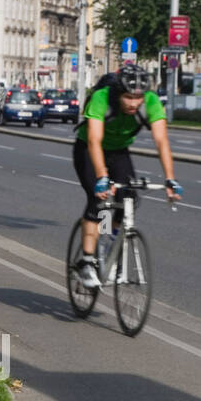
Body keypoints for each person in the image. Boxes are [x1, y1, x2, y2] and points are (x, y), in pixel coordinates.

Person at [72, 63, 181, 288]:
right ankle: (86, 262)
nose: (133, 103)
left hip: (119, 151)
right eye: (128, 97)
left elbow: (161, 141)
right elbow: (94, 140)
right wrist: (102, 177)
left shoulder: (150, 102)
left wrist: (170, 179)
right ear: (118, 93)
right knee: (98, 200)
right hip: (88, 150)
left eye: (138, 97)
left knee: (128, 198)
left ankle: (107, 243)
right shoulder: (102, 98)